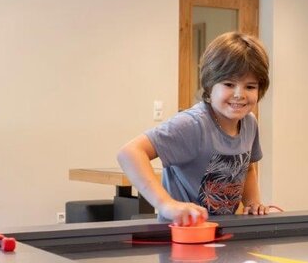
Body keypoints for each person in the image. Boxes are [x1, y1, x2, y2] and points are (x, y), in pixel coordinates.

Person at [117, 32, 277, 226]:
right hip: (181, 234)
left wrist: (252, 203)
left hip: (222, 231)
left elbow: (247, 168)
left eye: (250, 87)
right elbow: (129, 153)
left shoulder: (249, 122)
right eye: (229, 84)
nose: (239, 94)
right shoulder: (193, 124)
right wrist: (166, 205)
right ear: (210, 85)